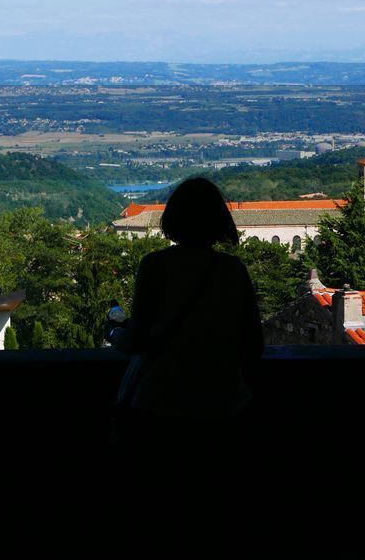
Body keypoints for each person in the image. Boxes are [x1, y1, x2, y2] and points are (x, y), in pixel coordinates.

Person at [106, 177, 263, 538]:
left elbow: (139, 339)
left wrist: (113, 332)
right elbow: (252, 344)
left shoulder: (155, 266)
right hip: (221, 408)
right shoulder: (233, 271)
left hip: (159, 407)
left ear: (173, 219)